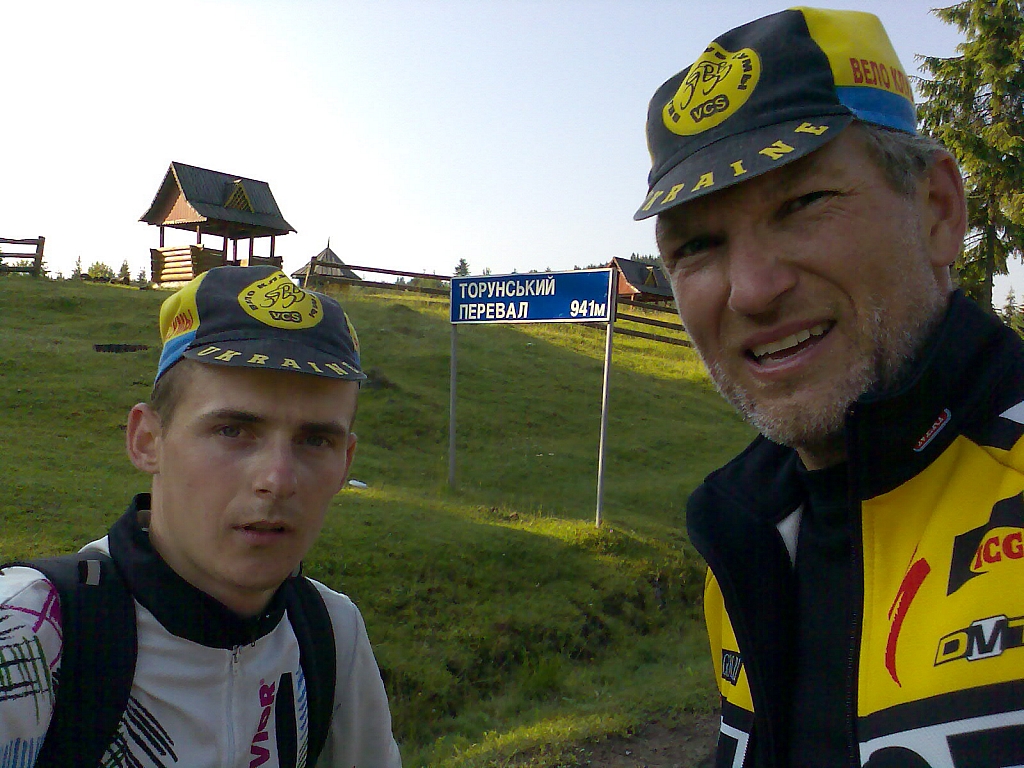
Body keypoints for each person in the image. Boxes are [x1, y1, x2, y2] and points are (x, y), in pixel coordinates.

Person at [635, 8, 1024, 767]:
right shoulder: (745, 536)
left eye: (803, 204)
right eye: (699, 244)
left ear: (938, 211)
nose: (752, 290)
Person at [0, 266, 402, 766]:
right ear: (147, 440)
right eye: (233, 430)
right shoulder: (25, 635)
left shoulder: (331, 633)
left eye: (316, 440)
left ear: (346, 463)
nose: (277, 479)